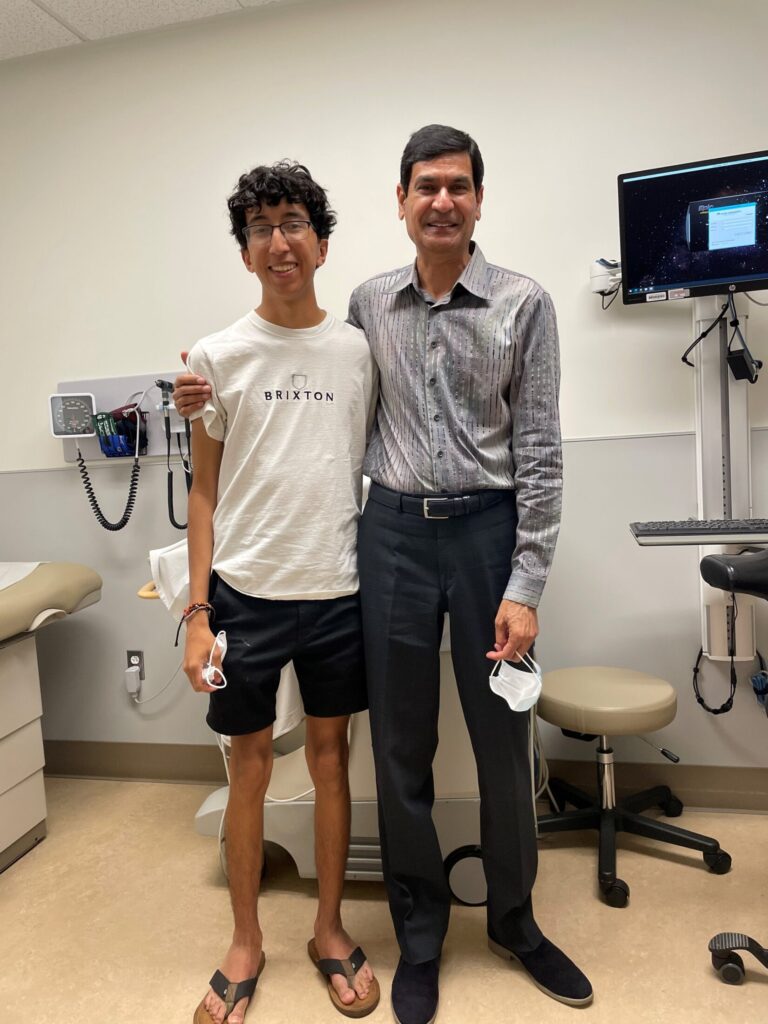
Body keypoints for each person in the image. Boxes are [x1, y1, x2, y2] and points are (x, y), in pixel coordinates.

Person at [175, 126, 592, 1024]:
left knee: (497, 741)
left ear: (479, 199)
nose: (442, 200)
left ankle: (517, 922)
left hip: (488, 535)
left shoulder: (526, 304)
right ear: (400, 202)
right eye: (425, 187)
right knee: (398, 746)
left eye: (459, 186)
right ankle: (421, 932)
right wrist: (199, 404)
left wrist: (525, 587)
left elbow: (543, 457)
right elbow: (306, 417)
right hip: (393, 538)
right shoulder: (368, 308)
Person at [182, 161, 379, 1024]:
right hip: (247, 594)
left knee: (332, 762)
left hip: (340, 588)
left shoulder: (356, 349)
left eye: (292, 221)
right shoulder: (216, 359)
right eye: (260, 227)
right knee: (250, 766)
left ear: (322, 242)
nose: (278, 240)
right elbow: (203, 492)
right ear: (246, 253)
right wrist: (196, 614)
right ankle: (245, 939)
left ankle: (329, 930)